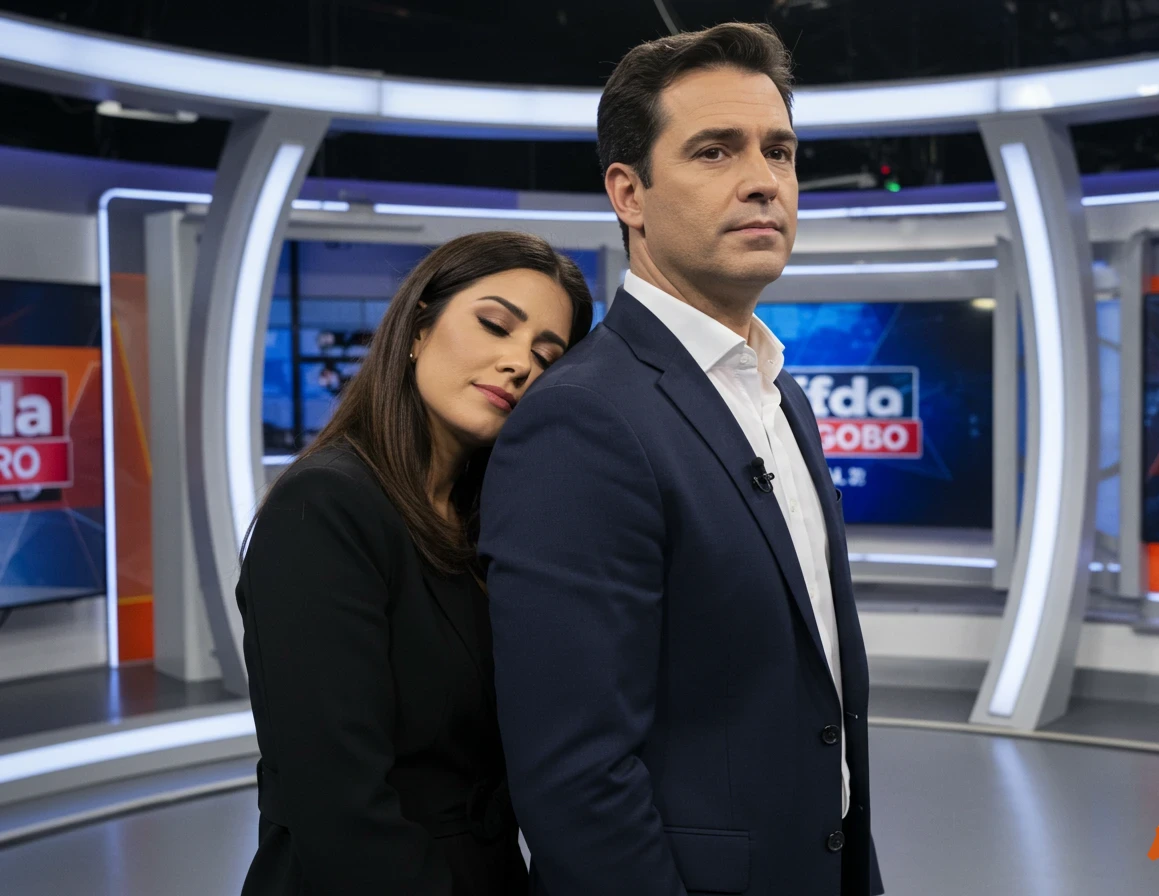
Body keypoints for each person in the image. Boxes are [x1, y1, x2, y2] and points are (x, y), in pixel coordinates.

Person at [479, 23, 883, 896]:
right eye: (714, 151)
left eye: (780, 151)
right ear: (629, 193)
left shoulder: (780, 394)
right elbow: (576, 779)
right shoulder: (584, 421)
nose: (763, 180)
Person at [237, 231, 594, 896]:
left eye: (546, 356)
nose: (518, 363)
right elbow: (341, 807)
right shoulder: (325, 507)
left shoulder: (493, 521)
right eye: (495, 326)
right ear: (418, 329)